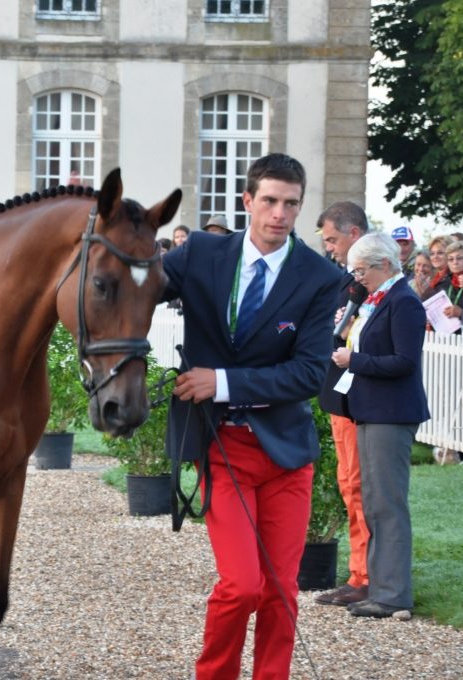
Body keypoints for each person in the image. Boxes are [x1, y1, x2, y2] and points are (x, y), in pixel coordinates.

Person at [163, 153, 342, 680]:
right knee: (242, 585)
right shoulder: (200, 254)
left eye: (291, 203)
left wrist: (219, 382)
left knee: (281, 590)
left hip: (287, 454)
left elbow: (310, 374)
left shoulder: (318, 276)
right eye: (269, 200)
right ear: (247, 201)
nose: (279, 214)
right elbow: (135, 284)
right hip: (223, 447)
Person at [330, 232, 429, 619]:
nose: (357, 278)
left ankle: (394, 595)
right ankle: (380, 587)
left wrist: (353, 360)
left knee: (388, 504)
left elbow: (404, 361)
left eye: (362, 270)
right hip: (370, 411)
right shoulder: (378, 300)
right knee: (373, 502)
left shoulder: (404, 302)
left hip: (392, 414)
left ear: (384, 265)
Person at [313, 201, 373, 609]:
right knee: (348, 485)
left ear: (354, 234)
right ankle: (358, 573)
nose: (330, 248)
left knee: (359, 488)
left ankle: (366, 575)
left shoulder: (374, 288)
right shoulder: (345, 285)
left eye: (333, 239)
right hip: (338, 395)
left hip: (361, 401)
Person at [438, 240, 463, 329]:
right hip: (449, 335)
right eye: (450, 259)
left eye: (459, 258)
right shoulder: (445, 284)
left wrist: (462, 313)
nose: (455, 262)